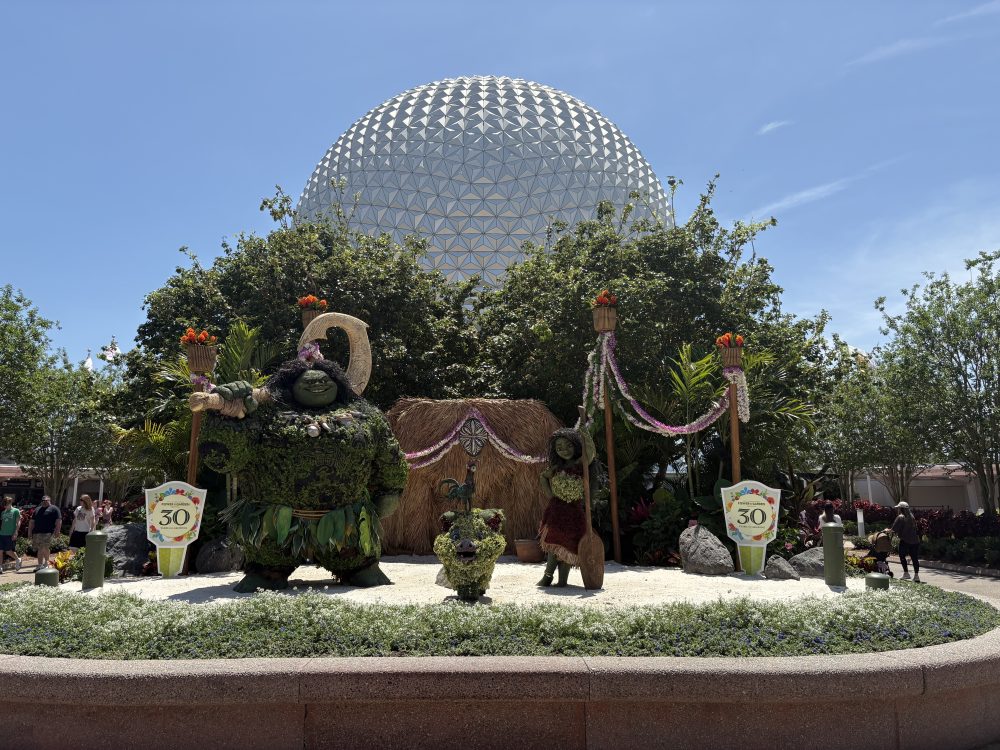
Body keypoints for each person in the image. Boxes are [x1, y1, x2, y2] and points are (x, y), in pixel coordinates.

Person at [28, 495, 61, 570]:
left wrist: (57, 531)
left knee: (44, 547)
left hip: (48, 532)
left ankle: (46, 563)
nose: (44, 502)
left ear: (49, 501)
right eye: (43, 501)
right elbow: (32, 522)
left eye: (46, 500)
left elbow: (58, 521)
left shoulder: (54, 509)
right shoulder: (37, 509)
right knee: (40, 548)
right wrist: (29, 532)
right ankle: (40, 564)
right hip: (36, 532)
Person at [891, 501, 921, 583]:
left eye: (899, 508)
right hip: (915, 541)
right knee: (914, 558)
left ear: (901, 509)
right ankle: (916, 576)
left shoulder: (900, 517)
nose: (898, 510)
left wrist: (887, 531)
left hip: (905, 540)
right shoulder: (912, 517)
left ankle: (906, 573)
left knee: (902, 556)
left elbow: (894, 529)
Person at [0, 496, 22, 571]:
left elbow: (18, 522)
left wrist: (16, 532)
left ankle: (18, 559)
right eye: (4, 504)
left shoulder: (16, 511)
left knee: (8, 551)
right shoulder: (3, 512)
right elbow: (3, 523)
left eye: (6, 504)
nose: (5, 506)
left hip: (10, 534)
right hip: (2, 534)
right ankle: (0, 567)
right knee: (0, 550)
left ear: (10, 503)